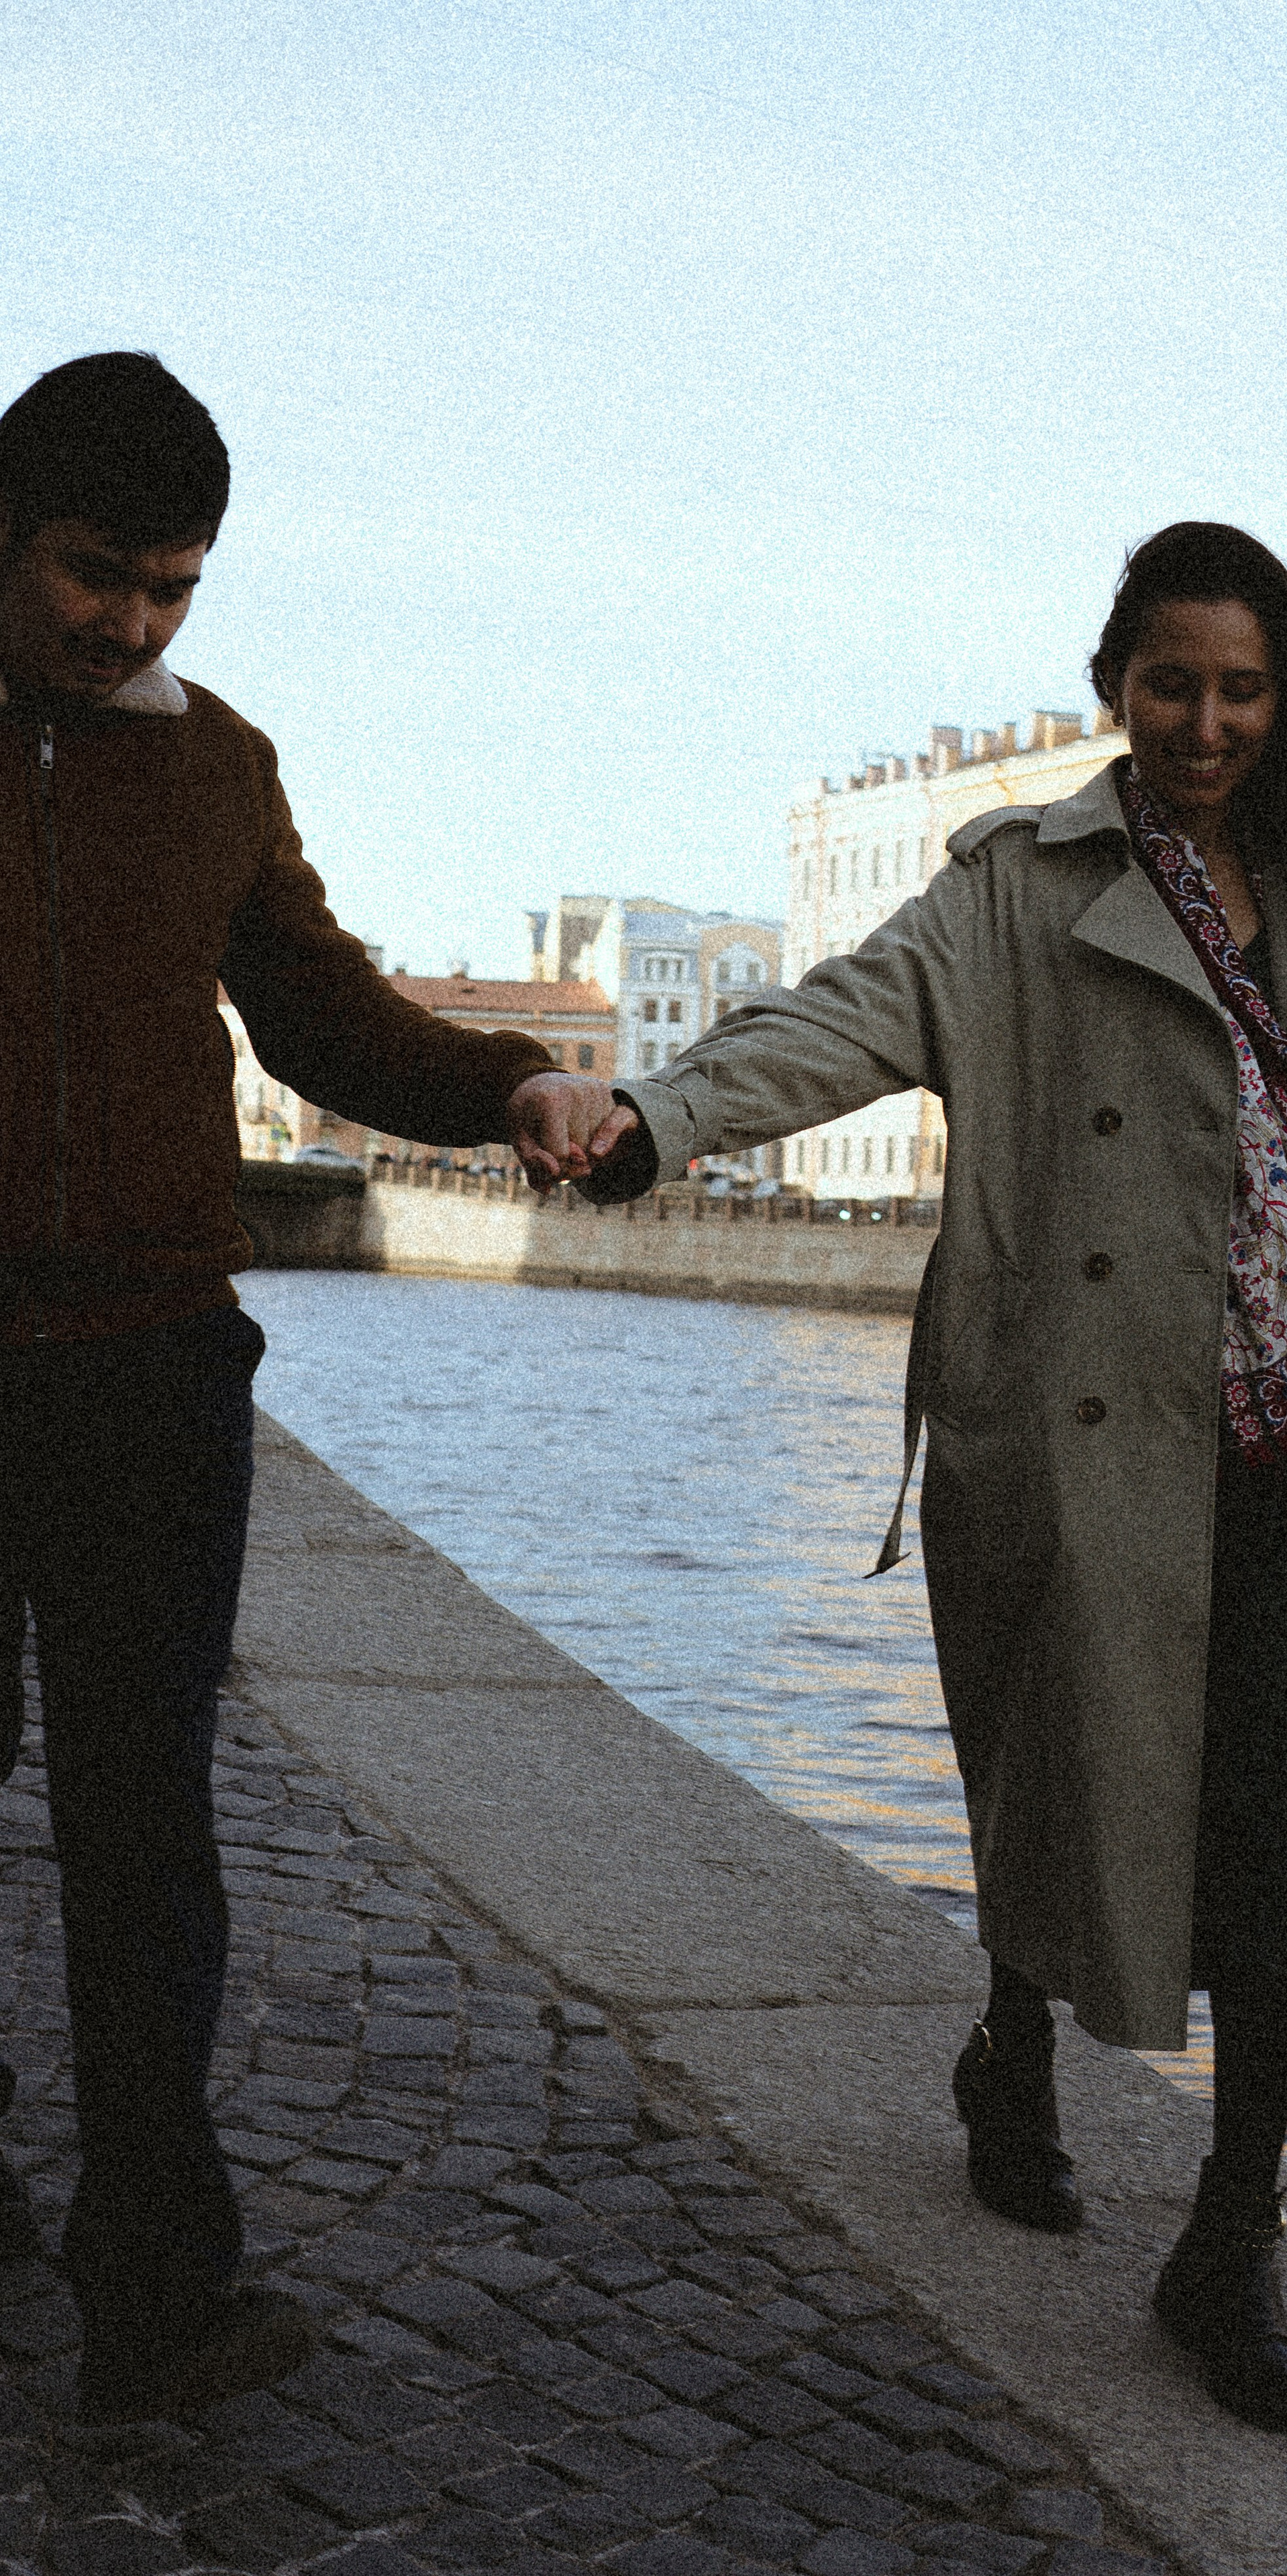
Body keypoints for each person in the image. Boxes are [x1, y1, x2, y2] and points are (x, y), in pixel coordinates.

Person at [551, 521, 1287, 2437]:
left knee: (1277, 1829)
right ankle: (1014, 2042)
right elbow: (836, 1019)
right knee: (1065, 1757)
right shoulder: (1020, 891)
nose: (1205, 721)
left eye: (1243, 688)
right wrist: (654, 1120)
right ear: (1116, 687)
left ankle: (1229, 2233)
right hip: (1099, 1416)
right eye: (1170, 683)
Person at [0, 352, 583, 2424]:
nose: (135, 624)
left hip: (154, 1362)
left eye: (175, 585)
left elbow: (326, 1015)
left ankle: (155, 2292)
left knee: (150, 1831)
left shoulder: (219, 765)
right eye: (96, 574)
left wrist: (505, 1083)